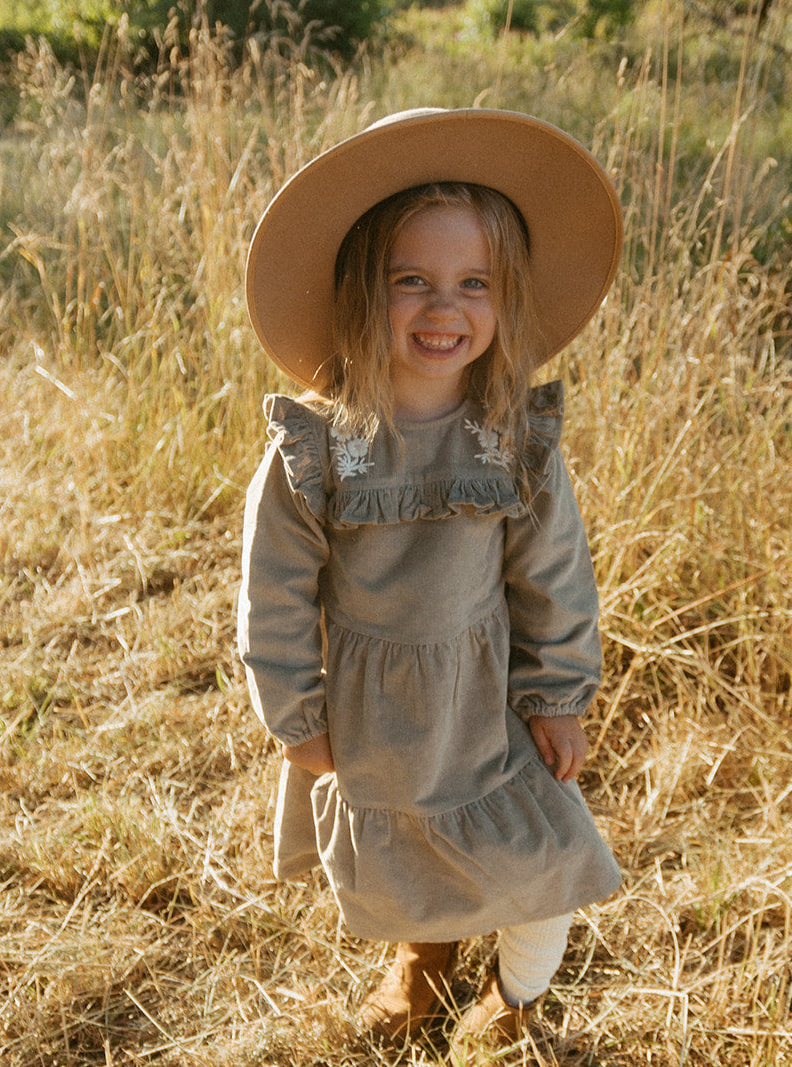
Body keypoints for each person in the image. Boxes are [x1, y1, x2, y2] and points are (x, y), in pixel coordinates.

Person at [237, 108, 623, 1061]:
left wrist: (559, 692)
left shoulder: (510, 436)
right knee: (411, 842)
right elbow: (274, 594)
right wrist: (296, 713)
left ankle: (515, 996)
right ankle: (423, 962)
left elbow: (552, 571)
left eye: (472, 283)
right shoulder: (319, 450)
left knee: (547, 861)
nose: (442, 308)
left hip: (484, 699)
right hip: (375, 709)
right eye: (412, 279)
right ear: (363, 290)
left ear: (506, 298)